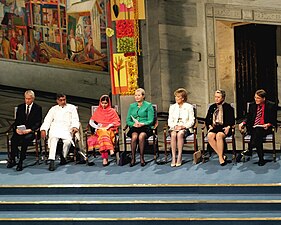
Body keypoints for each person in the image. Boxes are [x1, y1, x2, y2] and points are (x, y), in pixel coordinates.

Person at [40, 93, 79, 171]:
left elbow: (75, 119)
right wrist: (43, 129)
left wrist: (75, 126)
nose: (63, 102)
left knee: (67, 142)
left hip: (66, 129)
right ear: (57, 101)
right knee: (53, 139)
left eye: (64, 99)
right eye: (61, 100)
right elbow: (47, 120)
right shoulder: (53, 109)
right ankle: (52, 160)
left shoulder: (72, 107)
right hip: (55, 128)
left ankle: (63, 157)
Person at [238, 89, 277, 166]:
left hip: (265, 128)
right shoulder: (252, 105)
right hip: (253, 128)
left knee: (258, 130)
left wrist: (268, 124)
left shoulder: (271, 105)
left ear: (264, 98)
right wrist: (243, 123)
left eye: (258, 98)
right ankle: (260, 158)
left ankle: (250, 149)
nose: (256, 99)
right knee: (257, 133)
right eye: (255, 97)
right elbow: (248, 117)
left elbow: (274, 120)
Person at [7, 90, 42, 171]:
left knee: (25, 140)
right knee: (14, 139)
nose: (27, 100)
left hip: (31, 132)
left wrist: (30, 130)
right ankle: (12, 159)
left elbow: (38, 123)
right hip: (21, 130)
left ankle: (21, 161)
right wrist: (16, 129)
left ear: (33, 98)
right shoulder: (20, 107)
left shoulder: (37, 108)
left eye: (29, 99)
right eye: (26, 99)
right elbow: (16, 121)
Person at [87, 95, 120, 166]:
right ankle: (110, 149)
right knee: (103, 133)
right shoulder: (98, 111)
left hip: (110, 130)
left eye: (105, 103)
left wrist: (109, 125)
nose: (104, 105)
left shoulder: (112, 111)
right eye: (102, 103)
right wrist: (98, 127)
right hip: (100, 130)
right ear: (100, 103)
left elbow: (117, 122)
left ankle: (105, 159)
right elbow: (91, 122)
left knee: (104, 134)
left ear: (109, 103)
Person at [205, 89, 235, 166]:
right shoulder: (212, 107)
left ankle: (220, 158)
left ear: (223, 98)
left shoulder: (228, 107)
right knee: (210, 136)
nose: (216, 99)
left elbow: (232, 120)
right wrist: (209, 126)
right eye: (215, 97)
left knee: (219, 135)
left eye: (218, 97)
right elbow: (207, 119)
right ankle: (221, 155)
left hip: (224, 128)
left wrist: (228, 127)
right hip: (214, 127)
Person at [126, 88, 155, 167]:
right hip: (135, 127)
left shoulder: (148, 105)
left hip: (145, 127)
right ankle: (133, 158)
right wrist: (133, 124)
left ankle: (142, 158)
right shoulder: (132, 106)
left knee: (141, 136)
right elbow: (128, 120)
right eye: (135, 95)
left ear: (143, 96)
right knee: (134, 136)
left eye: (138, 95)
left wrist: (143, 123)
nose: (137, 97)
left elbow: (151, 120)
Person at [168, 88, 195, 167]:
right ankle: (173, 157)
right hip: (174, 127)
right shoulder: (172, 107)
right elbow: (169, 120)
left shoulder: (189, 107)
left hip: (185, 128)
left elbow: (192, 120)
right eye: (175, 96)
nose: (176, 98)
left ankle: (179, 156)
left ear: (183, 98)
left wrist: (183, 126)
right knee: (173, 135)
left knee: (180, 134)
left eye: (178, 97)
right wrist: (174, 126)